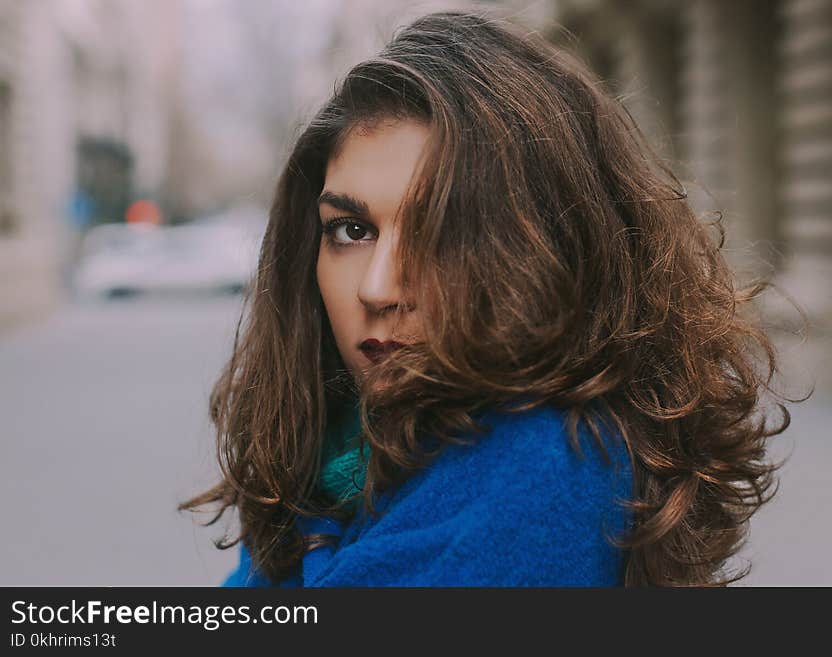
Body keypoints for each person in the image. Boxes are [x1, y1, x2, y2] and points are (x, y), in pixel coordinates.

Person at [179, 10, 794, 586]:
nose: (378, 288)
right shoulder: (339, 447)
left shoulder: (545, 465)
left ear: (552, 249)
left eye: (443, 233)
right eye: (352, 230)